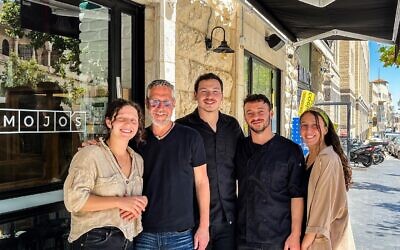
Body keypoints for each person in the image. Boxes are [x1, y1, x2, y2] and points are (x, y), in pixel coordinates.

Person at [133, 79, 210, 250]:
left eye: (166, 102)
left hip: (181, 235)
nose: (161, 108)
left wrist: (204, 227)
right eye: (155, 102)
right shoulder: (136, 140)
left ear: (174, 104)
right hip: (143, 233)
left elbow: (202, 182)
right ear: (147, 103)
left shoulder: (191, 138)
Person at [64, 99, 148, 249]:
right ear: (109, 122)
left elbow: (132, 199)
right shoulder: (90, 155)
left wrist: (140, 203)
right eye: (121, 119)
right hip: (95, 240)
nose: (128, 124)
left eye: (133, 120)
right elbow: (73, 201)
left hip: (127, 239)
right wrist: (119, 202)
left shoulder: (138, 160)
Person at [176, 73, 243, 250]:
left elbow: (247, 160)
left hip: (228, 218)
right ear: (195, 95)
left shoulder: (232, 126)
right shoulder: (181, 128)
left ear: (222, 95)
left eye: (215, 91)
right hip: (192, 219)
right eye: (204, 91)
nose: (209, 96)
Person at [236, 94, 306, 250]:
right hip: (243, 236)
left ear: (271, 114)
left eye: (261, 111)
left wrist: (295, 235)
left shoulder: (291, 150)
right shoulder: (239, 148)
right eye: (250, 113)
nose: (256, 117)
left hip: (278, 237)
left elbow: (297, 196)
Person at [299, 107, 355, 250]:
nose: (309, 131)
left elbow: (322, 204)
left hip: (320, 238)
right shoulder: (310, 158)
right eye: (304, 125)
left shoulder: (327, 158)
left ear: (325, 129)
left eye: (315, 126)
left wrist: (306, 241)